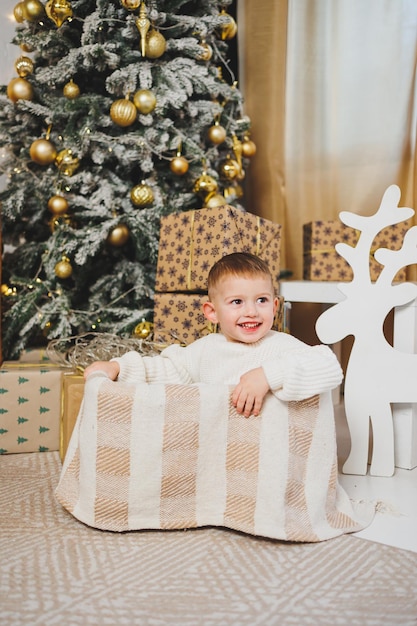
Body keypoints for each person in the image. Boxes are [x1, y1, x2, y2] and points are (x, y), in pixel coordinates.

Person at [84, 252, 343, 417]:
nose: (251, 311)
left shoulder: (281, 346)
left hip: (267, 451)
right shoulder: (205, 349)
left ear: (275, 306)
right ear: (212, 312)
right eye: (237, 302)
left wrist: (268, 375)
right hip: (218, 447)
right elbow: (164, 370)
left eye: (262, 300)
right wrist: (118, 366)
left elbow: (328, 366)